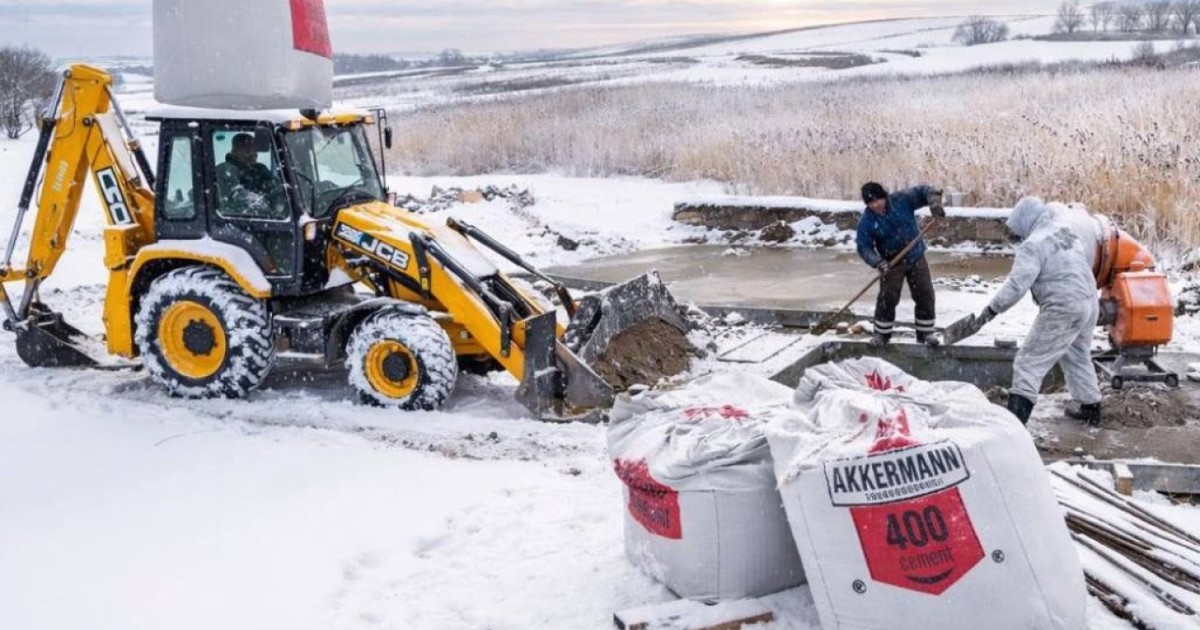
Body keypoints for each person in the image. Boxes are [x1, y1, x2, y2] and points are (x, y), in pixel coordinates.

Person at [967, 196, 1102, 426]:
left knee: (1028, 362)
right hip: (1089, 301)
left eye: (1017, 228)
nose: (1017, 235)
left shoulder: (1032, 245)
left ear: (1025, 220)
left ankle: (1015, 425)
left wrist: (992, 309)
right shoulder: (1065, 232)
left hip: (1063, 307)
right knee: (1077, 353)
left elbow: (1016, 285)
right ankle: (1091, 409)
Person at [855, 182, 945, 346]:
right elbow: (864, 247)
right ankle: (881, 335)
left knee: (925, 293)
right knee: (888, 297)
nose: (875, 205)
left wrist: (934, 202)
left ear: (884, 196)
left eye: (878, 200)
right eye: (871, 202)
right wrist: (877, 262)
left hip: (915, 255)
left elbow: (924, 190)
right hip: (891, 262)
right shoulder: (867, 221)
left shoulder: (901, 200)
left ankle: (926, 334)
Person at [215, 133, 284, 218]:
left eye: (254, 150)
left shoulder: (260, 169)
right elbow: (234, 201)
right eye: (247, 150)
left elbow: (277, 189)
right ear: (235, 150)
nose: (253, 154)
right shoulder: (224, 171)